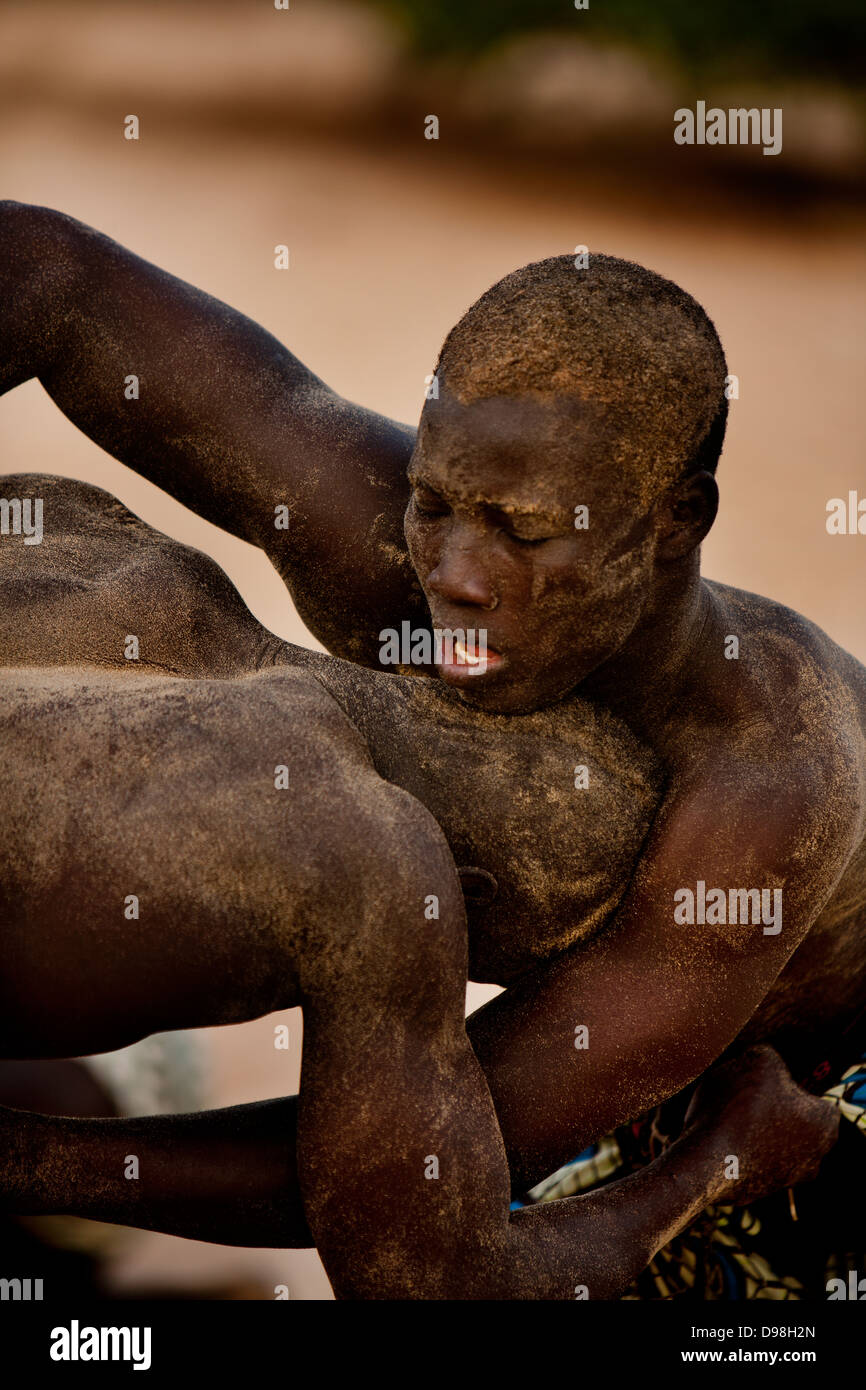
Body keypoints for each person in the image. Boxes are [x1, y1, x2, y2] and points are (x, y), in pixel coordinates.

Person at [0, 202, 860, 1296]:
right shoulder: (379, 537)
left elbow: (405, 1186)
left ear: (676, 519)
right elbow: (50, 273)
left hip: (805, 1094)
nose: (453, 569)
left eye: (523, 529)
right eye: (433, 501)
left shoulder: (764, 779)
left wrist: (32, 1160)